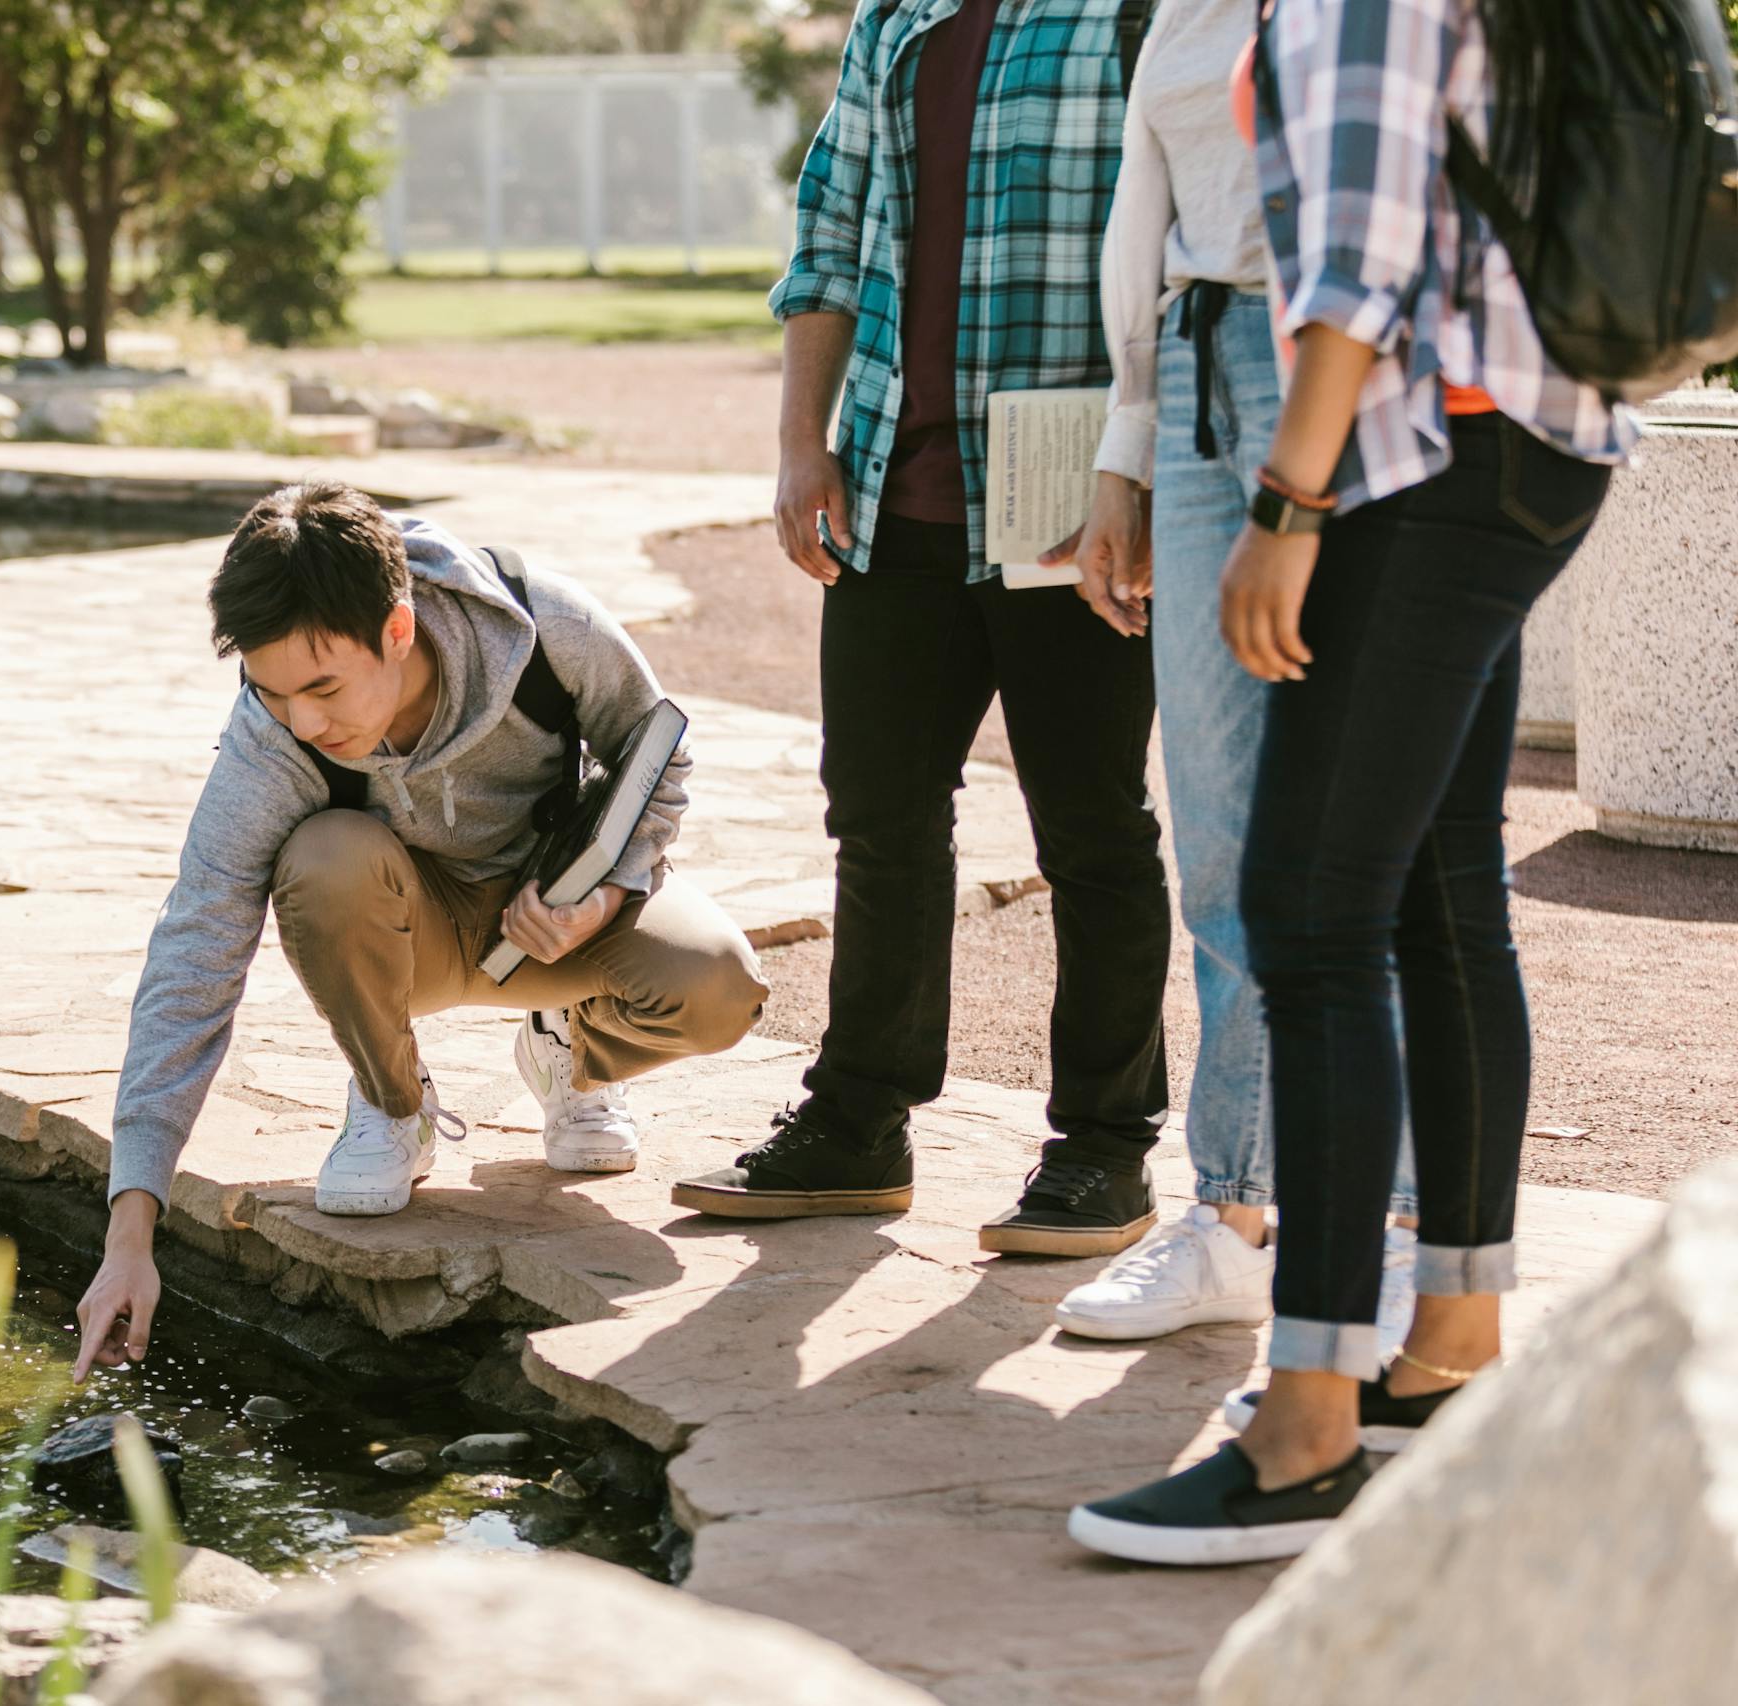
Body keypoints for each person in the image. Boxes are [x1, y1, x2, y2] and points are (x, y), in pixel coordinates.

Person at [1069, 0, 1632, 1563]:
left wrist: (1289, 500)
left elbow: (1364, 250)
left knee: (1310, 922)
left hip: (1421, 460)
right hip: (1519, 438)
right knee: (1445, 897)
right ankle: (1450, 1342)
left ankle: (1306, 1426)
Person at [673, 0, 1175, 1257]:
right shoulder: (898, 13)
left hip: (1074, 481)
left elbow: (1184, 242)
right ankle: (858, 1124)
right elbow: (830, 237)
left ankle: (1103, 1148)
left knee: (1092, 827)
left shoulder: (1134, 10)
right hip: (897, 477)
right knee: (880, 815)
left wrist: (1145, 464)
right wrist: (802, 445)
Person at [73, 481, 769, 1379]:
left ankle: (571, 1052)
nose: (305, 723)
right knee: (324, 858)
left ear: (397, 630)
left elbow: (658, 749)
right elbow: (196, 941)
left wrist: (605, 897)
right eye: (272, 691)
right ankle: (394, 1103)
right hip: (412, 933)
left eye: (323, 687)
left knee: (719, 987)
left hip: (556, 923)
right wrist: (132, 1229)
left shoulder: (543, 625)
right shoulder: (275, 733)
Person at [1042, 0, 1420, 1346]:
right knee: (1220, 838)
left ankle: (1390, 1226)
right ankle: (1238, 1211)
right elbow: (1149, 204)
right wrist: (1126, 449)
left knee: (1370, 839)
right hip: (1199, 368)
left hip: (1357, 379)